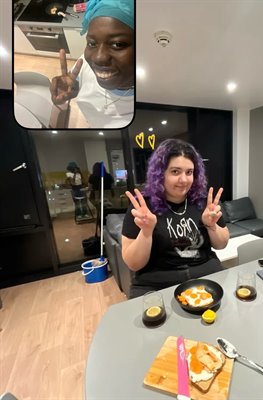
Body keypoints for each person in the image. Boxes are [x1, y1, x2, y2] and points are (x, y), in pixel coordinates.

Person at [121, 139, 230, 298]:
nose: (184, 180)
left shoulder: (205, 202)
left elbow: (222, 244)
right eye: (175, 171)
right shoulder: (142, 207)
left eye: (189, 172)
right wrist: (146, 233)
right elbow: (134, 263)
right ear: (160, 174)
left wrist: (212, 227)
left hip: (206, 273)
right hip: (157, 282)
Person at [50, 0, 134, 128]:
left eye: (118, 44)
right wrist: (75, 88)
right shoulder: (84, 63)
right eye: (92, 43)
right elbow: (79, 84)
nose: (98, 58)